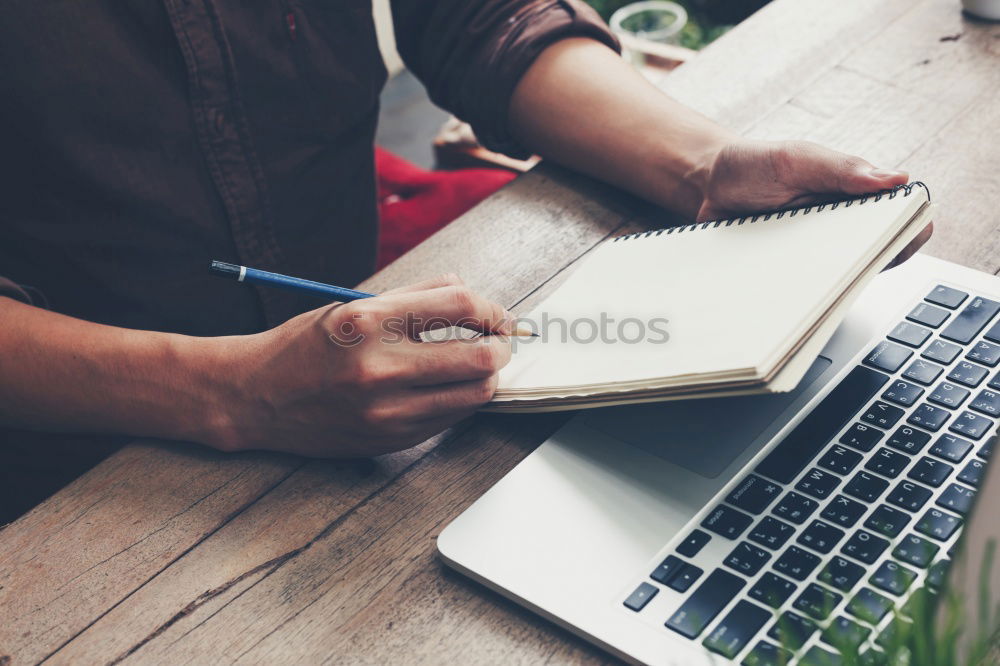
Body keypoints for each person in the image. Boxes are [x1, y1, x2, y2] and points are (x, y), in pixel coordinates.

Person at [0, 1, 930, 522]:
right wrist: (231, 392)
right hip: (71, 470)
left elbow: (476, 19)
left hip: (375, 398)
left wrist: (700, 164)